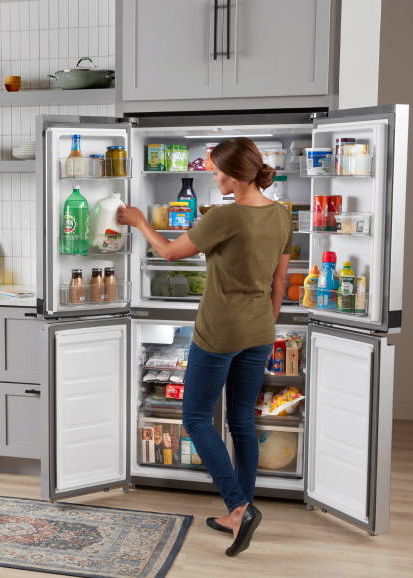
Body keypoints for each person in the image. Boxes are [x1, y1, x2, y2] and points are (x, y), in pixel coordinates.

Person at [117, 138, 292, 556]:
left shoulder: (225, 216)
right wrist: (266, 324)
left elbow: (170, 253)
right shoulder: (282, 215)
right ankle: (241, 513)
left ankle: (237, 506)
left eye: (215, 172)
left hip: (218, 331)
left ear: (233, 176)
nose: (213, 178)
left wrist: (139, 220)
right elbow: (280, 282)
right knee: (242, 423)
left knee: (195, 418)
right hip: (259, 330)